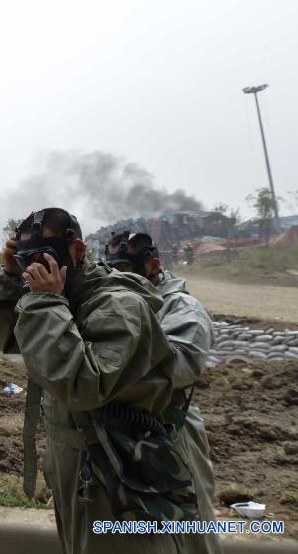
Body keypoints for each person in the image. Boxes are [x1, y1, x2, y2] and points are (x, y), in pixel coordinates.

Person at [0, 208, 192, 554]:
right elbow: (13, 335)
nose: (33, 271)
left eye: (43, 258)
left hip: (118, 475)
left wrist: (45, 301)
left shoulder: (118, 305)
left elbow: (84, 383)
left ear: (76, 252)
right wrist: (8, 275)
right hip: (79, 467)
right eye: (27, 259)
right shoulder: (67, 296)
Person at [105, 231, 221, 554]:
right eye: (111, 271)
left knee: (192, 535)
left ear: (152, 264)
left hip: (174, 442)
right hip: (133, 445)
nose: (116, 280)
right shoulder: (117, 304)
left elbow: (180, 364)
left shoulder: (183, 309)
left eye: (125, 270)